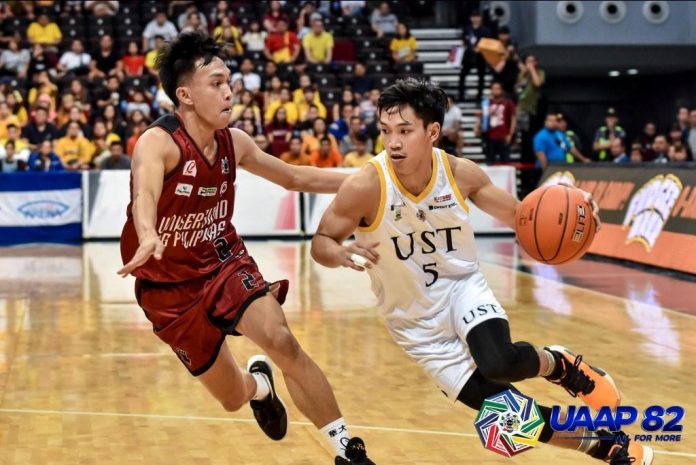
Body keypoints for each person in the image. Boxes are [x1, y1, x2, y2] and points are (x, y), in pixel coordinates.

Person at [310, 78, 652, 465]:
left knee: (499, 361)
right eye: (386, 131)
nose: (393, 142)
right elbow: (321, 240)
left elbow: (524, 217)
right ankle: (609, 448)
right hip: (415, 324)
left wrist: (577, 208)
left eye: (405, 131)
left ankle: (560, 365)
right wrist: (339, 253)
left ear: (432, 132)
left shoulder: (460, 173)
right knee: (512, 416)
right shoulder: (365, 185)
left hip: (461, 289)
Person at [117, 32, 374, 465]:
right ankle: (261, 387)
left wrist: (374, 177)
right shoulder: (157, 143)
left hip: (222, 261)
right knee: (233, 398)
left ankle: (346, 449)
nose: (229, 90)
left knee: (282, 341)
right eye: (215, 82)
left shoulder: (234, 142)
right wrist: (147, 233)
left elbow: (296, 178)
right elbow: (143, 193)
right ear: (185, 95)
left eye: (229, 81)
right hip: (168, 291)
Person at [476, 81, 516, 164]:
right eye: (494, 88)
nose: (496, 90)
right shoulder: (486, 103)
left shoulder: (508, 102)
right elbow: (481, 117)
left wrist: (510, 134)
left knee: (505, 161)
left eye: (498, 88)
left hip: (504, 136)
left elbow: (513, 118)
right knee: (489, 161)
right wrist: (478, 126)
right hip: (490, 136)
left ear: (502, 90)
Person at [458, 10, 492, 103]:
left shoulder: (485, 30)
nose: (476, 19)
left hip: (480, 56)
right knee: (462, 75)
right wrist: (462, 45)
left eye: (477, 17)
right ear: (471, 18)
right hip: (469, 55)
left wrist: (480, 48)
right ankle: (461, 96)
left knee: (481, 76)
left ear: (480, 18)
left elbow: (489, 43)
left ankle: (479, 96)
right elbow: (464, 40)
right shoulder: (467, 29)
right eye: (474, 17)